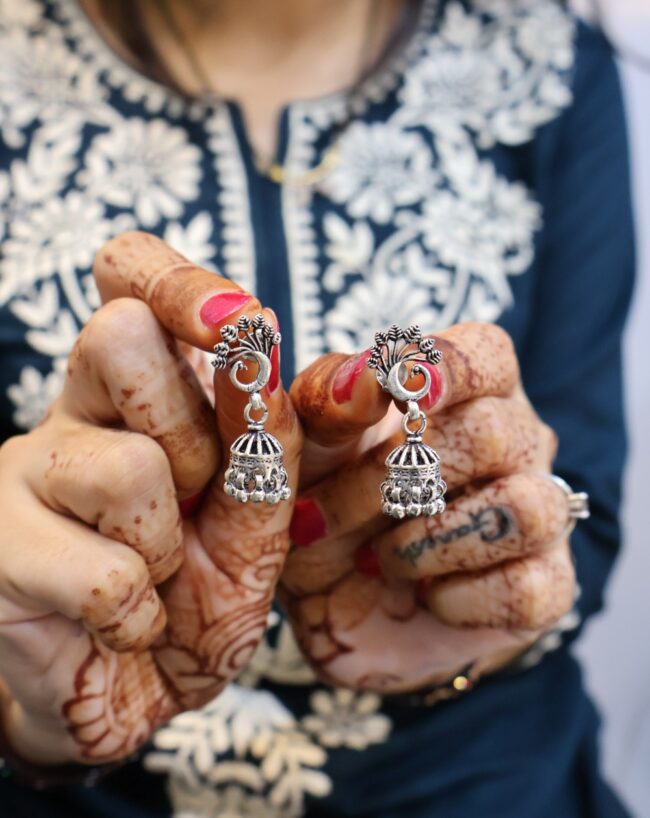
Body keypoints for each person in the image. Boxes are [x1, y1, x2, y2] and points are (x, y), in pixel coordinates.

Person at [0, 0, 636, 816]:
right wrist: (35, 718)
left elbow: (588, 502)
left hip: (488, 784)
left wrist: (503, 583)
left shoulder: (543, 60)